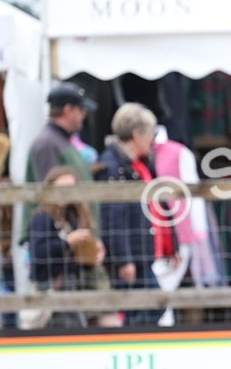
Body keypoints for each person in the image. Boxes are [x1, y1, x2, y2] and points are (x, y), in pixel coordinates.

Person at [98, 103, 162, 325]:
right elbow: (113, 216)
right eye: (150, 133)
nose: (152, 139)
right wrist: (124, 259)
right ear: (137, 134)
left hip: (139, 252)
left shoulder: (134, 164)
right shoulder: (113, 166)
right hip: (130, 255)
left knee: (145, 306)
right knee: (152, 305)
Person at [28, 166, 107, 328]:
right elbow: (39, 253)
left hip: (73, 287)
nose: (65, 192)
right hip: (49, 288)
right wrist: (69, 241)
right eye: (61, 188)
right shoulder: (42, 218)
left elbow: (75, 259)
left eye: (70, 188)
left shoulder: (73, 216)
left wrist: (92, 251)